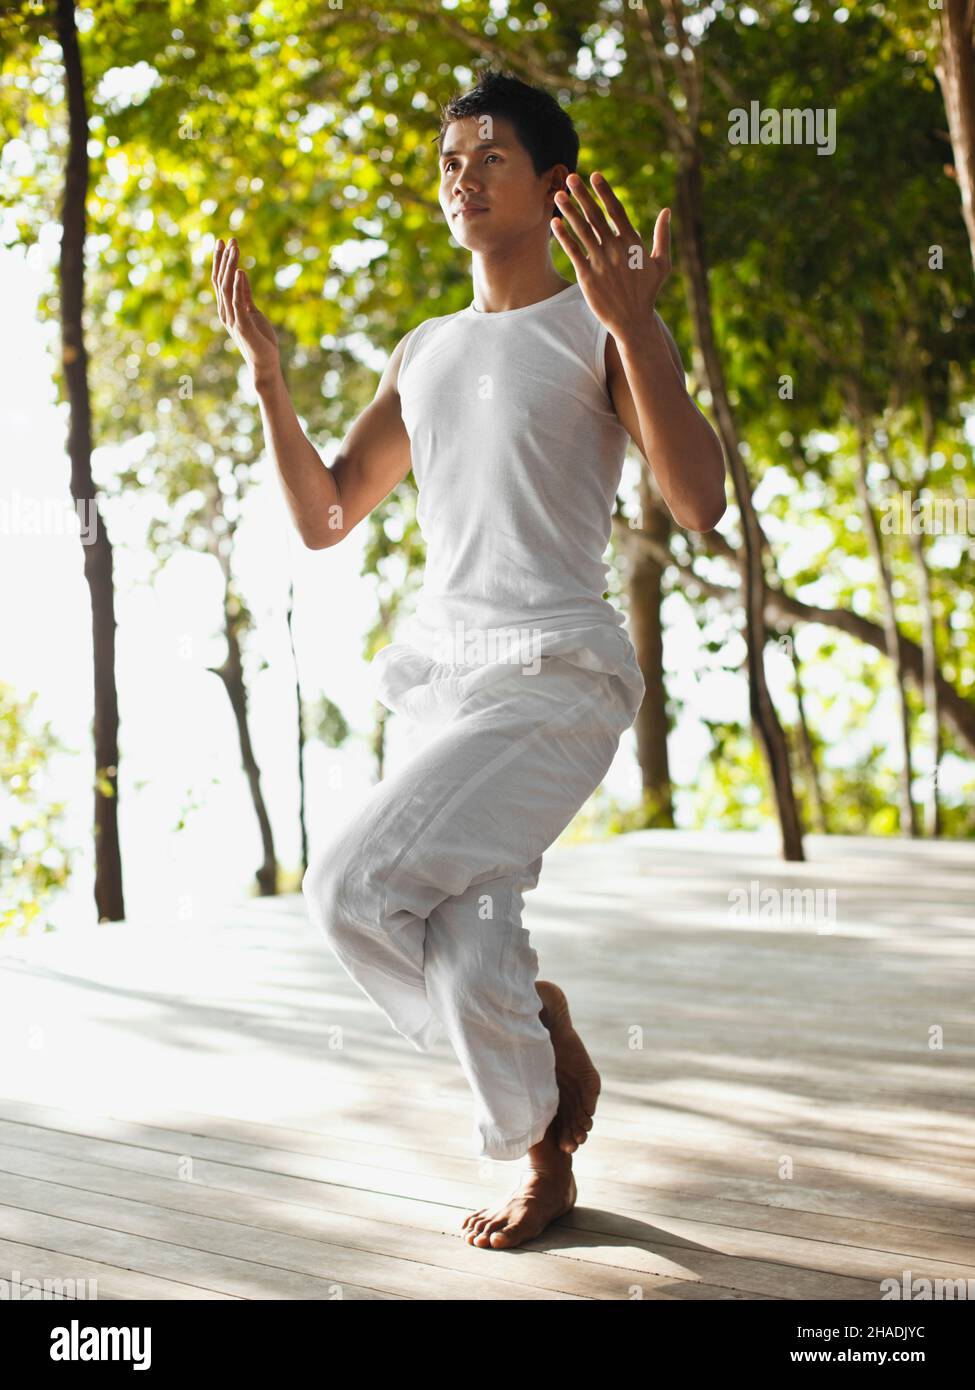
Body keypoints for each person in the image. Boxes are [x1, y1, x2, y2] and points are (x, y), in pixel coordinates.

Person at [211, 68, 726, 1252]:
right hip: (441, 682)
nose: (460, 174)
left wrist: (637, 322)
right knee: (470, 941)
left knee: (348, 884)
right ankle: (547, 1148)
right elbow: (330, 515)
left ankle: (535, 1045)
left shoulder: (598, 330)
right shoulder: (424, 349)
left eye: (488, 155)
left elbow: (696, 502)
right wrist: (270, 382)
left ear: (554, 188)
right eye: (449, 158)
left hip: (554, 681)